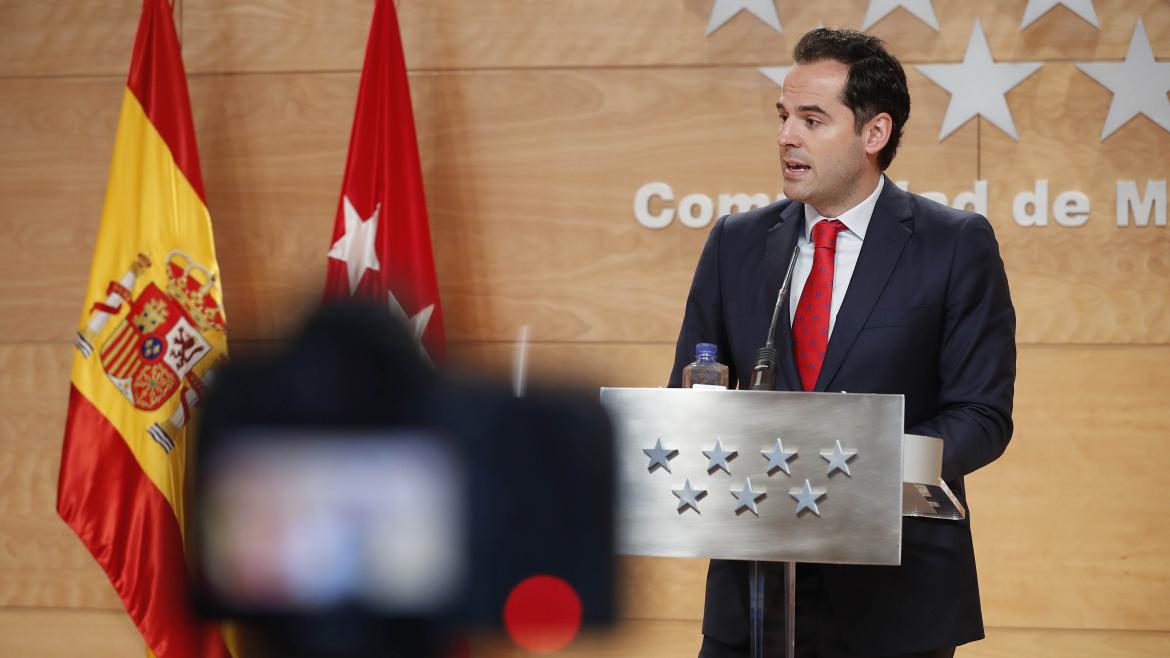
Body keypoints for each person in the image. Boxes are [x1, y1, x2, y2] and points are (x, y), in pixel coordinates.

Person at [668, 28, 1016, 658]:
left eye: (811, 119)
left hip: (895, 600)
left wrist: (862, 466)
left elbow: (982, 416)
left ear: (873, 134)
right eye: (782, 117)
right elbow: (691, 389)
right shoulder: (737, 244)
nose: (786, 137)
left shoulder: (954, 244)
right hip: (754, 598)